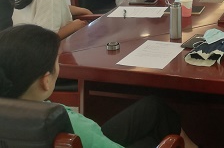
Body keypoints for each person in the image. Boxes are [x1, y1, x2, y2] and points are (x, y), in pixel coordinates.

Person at [0, 24, 197, 148]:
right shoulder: (65, 122)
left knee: (152, 108)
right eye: (56, 62)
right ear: (45, 81)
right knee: (156, 138)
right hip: (90, 141)